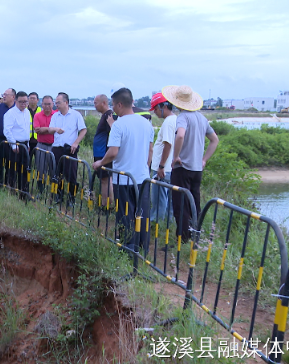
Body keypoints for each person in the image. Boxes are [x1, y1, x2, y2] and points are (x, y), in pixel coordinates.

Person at [92, 87, 153, 251]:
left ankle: (128, 249)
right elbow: (150, 151)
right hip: (142, 178)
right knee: (142, 213)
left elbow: (112, 152)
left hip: (124, 178)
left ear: (119, 105)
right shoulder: (146, 124)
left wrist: (100, 163)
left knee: (126, 215)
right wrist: (144, 167)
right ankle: (143, 248)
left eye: (113, 104)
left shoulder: (118, 125)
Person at [163, 85, 219, 245]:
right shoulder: (202, 118)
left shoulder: (183, 117)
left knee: (181, 206)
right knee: (194, 204)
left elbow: (180, 135)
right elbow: (215, 140)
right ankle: (195, 236)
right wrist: (204, 159)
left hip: (183, 168)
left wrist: (176, 156)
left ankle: (183, 240)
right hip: (196, 169)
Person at [48, 92, 87, 202]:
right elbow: (50, 129)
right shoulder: (55, 115)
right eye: (56, 103)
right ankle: (58, 196)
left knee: (71, 176)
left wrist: (76, 142)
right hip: (56, 148)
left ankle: (71, 198)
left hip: (70, 149)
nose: (56, 105)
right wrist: (56, 129)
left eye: (58, 102)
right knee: (56, 173)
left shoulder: (76, 115)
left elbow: (83, 130)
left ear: (66, 102)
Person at [149, 92, 177, 224]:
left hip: (163, 169)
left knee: (159, 200)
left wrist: (161, 166)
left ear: (164, 106)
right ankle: (167, 225)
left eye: (155, 108)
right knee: (169, 202)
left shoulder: (168, 122)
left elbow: (168, 144)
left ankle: (157, 225)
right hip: (169, 168)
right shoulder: (174, 120)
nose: (154, 112)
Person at [3, 91, 31, 190]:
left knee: (24, 169)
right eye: (21, 101)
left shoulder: (27, 112)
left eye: (25, 102)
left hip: (24, 145)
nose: (23, 104)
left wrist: (27, 144)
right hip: (14, 145)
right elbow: (7, 131)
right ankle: (12, 190)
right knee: (13, 169)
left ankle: (23, 191)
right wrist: (14, 145)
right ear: (16, 101)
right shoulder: (10, 113)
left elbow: (27, 129)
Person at [92, 94, 117, 208]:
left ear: (104, 103)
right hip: (99, 152)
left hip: (103, 153)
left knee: (106, 179)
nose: (94, 106)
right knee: (103, 179)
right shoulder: (105, 115)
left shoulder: (109, 115)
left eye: (96, 103)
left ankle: (107, 205)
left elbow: (115, 132)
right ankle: (105, 204)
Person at [32, 95, 57, 192]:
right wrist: (52, 129)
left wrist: (45, 129)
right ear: (42, 104)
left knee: (53, 169)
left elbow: (58, 130)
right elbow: (37, 130)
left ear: (53, 104)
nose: (47, 106)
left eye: (49, 104)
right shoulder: (37, 115)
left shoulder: (56, 115)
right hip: (41, 145)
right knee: (41, 169)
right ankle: (40, 191)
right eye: (45, 104)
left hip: (54, 146)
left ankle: (54, 192)